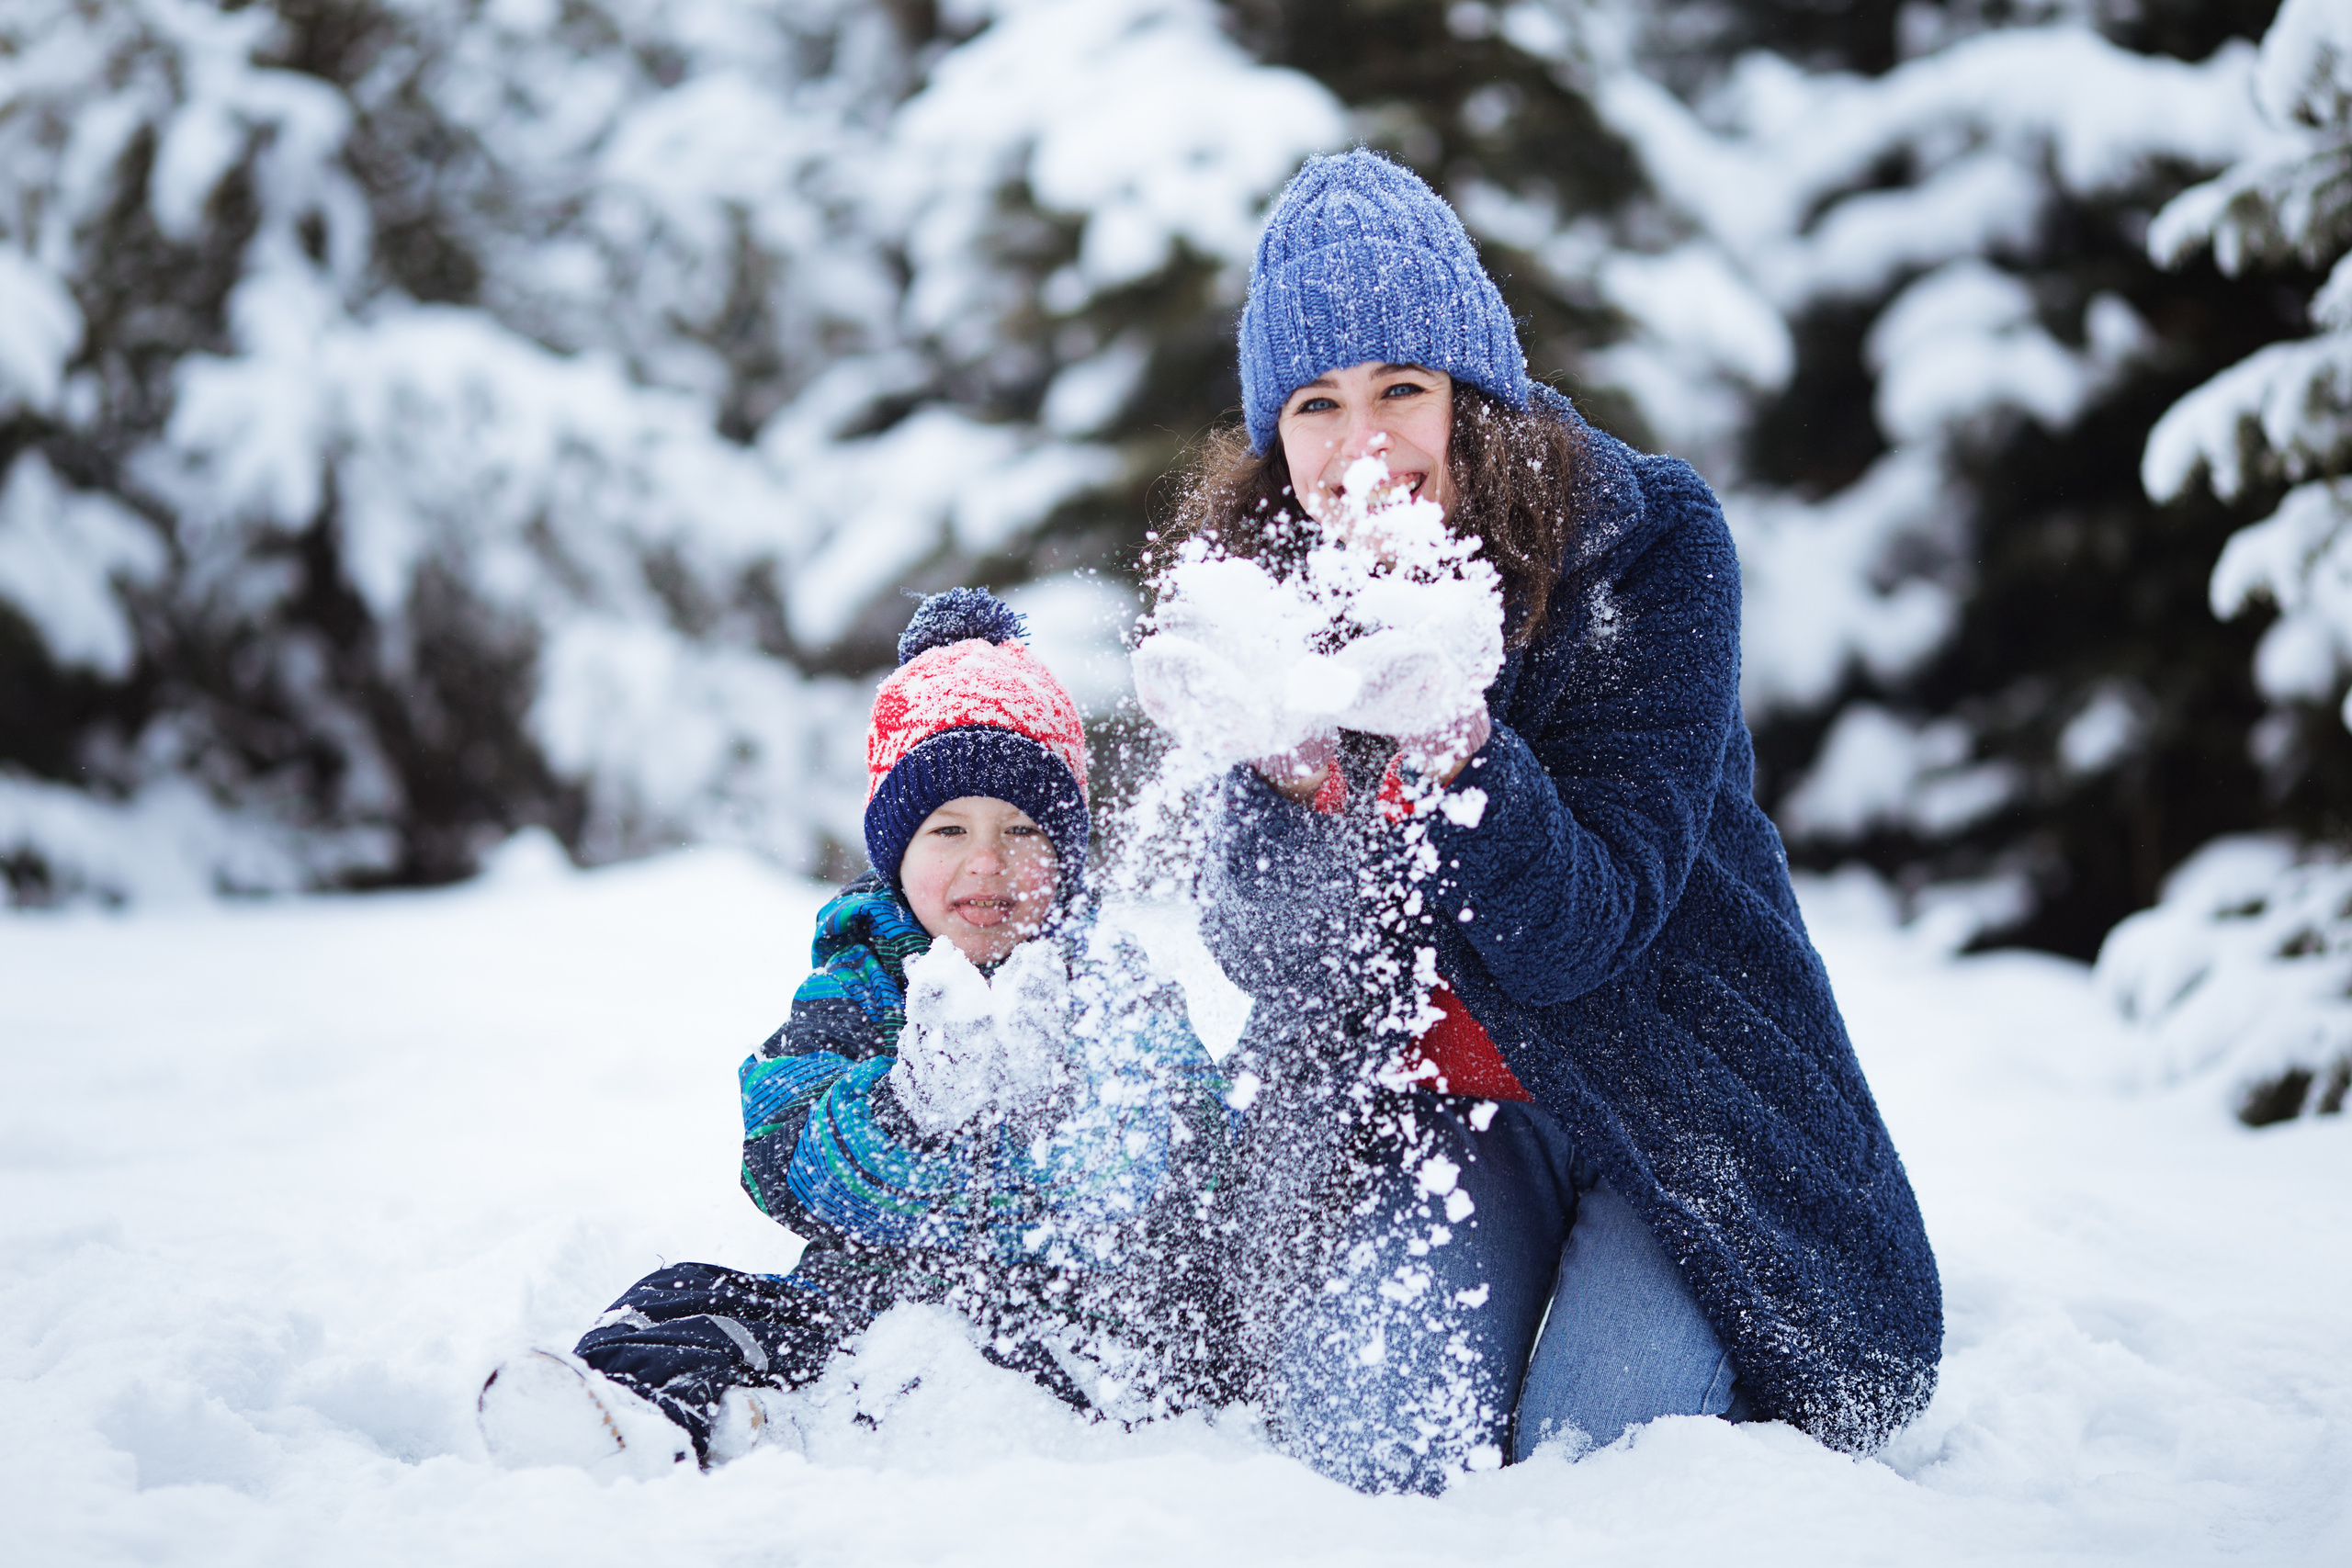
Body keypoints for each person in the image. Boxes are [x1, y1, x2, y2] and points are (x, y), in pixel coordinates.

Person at [1133, 149, 1941, 1495]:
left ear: (1474, 396)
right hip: (1442, 1120)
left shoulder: (1644, 547)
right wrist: (1299, 784)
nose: (1363, 447)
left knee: (1604, 1454)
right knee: (1365, 1444)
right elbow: (1270, 953)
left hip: (1673, 1093)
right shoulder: (1275, 580)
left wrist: (1457, 741)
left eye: (1404, 388)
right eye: (1318, 405)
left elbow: (1587, 926)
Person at [479, 590, 1238, 1477]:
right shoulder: (861, 974)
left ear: (1064, 854)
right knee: (679, 1300)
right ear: (897, 851)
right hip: (871, 1301)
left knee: (1206, 1322)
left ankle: (840, 1417)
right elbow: (780, 1150)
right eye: (948, 828)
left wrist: (1062, 1110)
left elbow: (1194, 1139)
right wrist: (906, 1104)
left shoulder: (1107, 975)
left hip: (1070, 1315)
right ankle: (648, 1423)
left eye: (1022, 829)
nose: (985, 860)